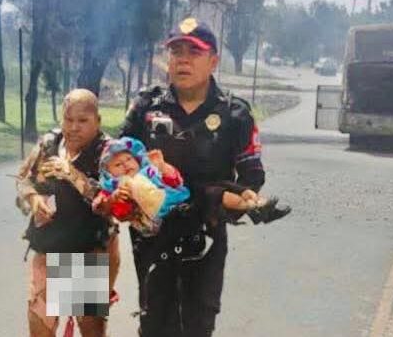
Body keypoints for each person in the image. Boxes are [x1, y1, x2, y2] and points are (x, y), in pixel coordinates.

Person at [121, 17, 284, 337]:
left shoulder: (234, 114)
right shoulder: (145, 107)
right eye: (176, 51)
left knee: (195, 326)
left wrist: (234, 200)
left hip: (204, 239)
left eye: (193, 52)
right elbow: (113, 164)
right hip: (148, 239)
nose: (182, 60)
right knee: (151, 324)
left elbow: (250, 180)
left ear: (213, 61)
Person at [16, 89, 120, 337]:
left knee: (90, 329)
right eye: (68, 119)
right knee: (40, 328)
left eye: (83, 120)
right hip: (47, 248)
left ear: (97, 121)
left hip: (84, 250)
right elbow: (22, 180)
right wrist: (33, 199)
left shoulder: (108, 152)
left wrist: (72, 174)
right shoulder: (48, 144)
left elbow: (113, 201)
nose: (74, 127)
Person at [94, 136, 289, 235]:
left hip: (180, 200)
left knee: (221, 185)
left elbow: (174, 180)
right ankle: (251, 207)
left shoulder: (148, 171)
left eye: (129, 159)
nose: (126, 165)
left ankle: (256, 203)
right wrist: (115, 199)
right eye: (118, 165)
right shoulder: (114, 186)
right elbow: (113, 210)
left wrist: (163, 167)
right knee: (215, 194)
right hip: (168, 217)